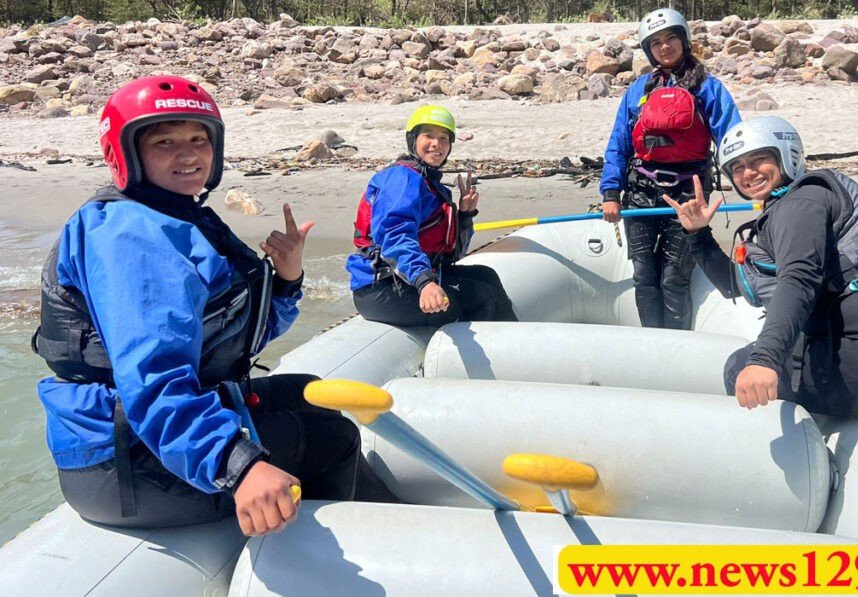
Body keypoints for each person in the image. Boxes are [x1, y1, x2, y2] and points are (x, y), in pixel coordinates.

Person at [33, 76, 395, 537]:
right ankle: (342, 560)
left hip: (140, 441)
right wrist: (238, 465)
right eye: (164, 141)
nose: (188, 155)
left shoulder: (175, 215)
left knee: (306, 391)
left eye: (198, 139)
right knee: (333, 438)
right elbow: (153, 379)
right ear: (124, 153)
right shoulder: (130, 235)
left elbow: (230, 343)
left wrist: (286, 279)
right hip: (128, 463)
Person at [664, 116, 858, 417]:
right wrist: (698, 234)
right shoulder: (793, 205)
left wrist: (765, 360)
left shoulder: (801, 202)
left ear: (786, 156)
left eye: (759, 160)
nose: (748, 173)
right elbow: (733, 286)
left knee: (739, 367)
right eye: (737, 167)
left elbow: (799, 280)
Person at [599, 7, 741, 330]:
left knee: (674, 279)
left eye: (671, 39)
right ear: (649, 50)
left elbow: (733, 140)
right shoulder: (638, 91)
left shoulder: (708, 87)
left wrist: (750, 184)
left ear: (684, 41)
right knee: (644, 277)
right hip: (641, 193)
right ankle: (652, 343)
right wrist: (610, 192)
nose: (665, 47)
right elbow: (619, 143)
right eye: (657, 43)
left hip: (687, 197)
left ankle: (677, 348)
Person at [347, 104, 518, 327]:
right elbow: (396, 235)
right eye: (428, 136)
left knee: (485, 276)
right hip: (383, 289)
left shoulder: (429, 183)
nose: (437, 143)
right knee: (479, 295)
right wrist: (424, 282)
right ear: (413, 140)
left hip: (404, 281)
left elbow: (451, 256)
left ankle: (513, 342)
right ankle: (486, 356)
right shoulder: (402, 179)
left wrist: (465, 216)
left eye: (444, 138)